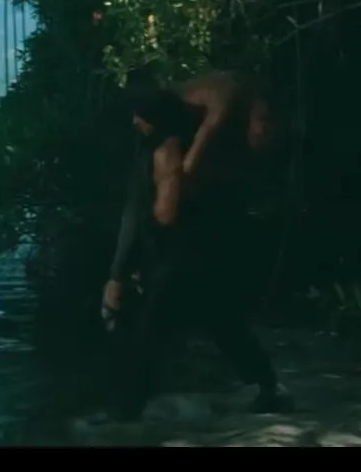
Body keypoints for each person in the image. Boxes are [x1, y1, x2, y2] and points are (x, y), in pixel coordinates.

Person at [99, 72, 292, 421]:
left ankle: (127, 409)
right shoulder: (180, 135)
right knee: (217, 316)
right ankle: (269, 386)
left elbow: (163, 211)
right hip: (193, 241)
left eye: (138, 117)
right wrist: (123, 270)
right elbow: (147, 205)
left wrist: (130, 268)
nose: (134, 123)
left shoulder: (183, 138)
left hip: (183, 245)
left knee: (155, 325)